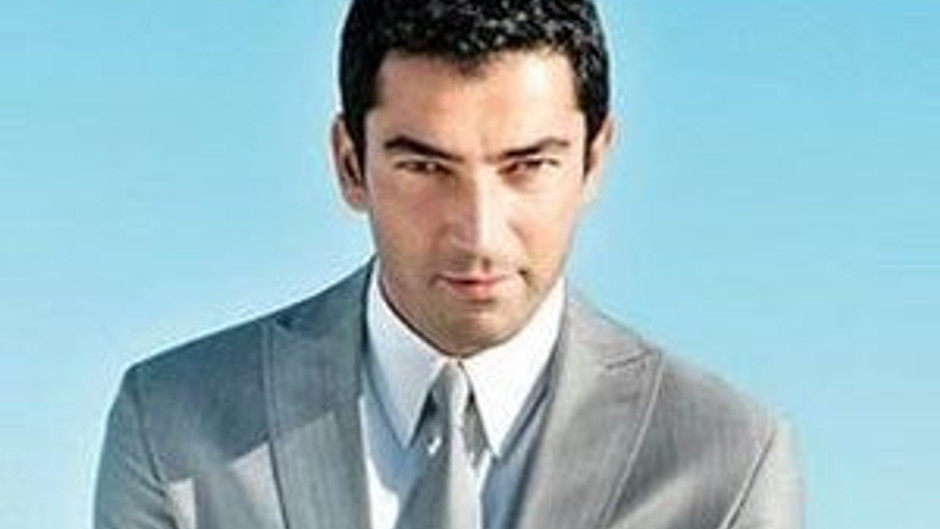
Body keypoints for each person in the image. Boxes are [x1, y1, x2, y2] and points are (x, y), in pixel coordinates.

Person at [95, 0, 803, 528]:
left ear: (593, 161)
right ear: (350, 164)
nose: (479, 233)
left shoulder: (728, 460)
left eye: (528, 166)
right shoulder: (173, 423)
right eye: (426, 167)